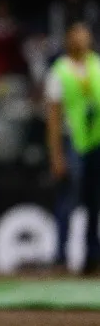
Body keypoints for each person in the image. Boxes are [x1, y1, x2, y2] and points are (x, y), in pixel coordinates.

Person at [45, 21, 100, 275]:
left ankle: (92, 255)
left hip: (96, 143)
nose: (83, 39)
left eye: (86, 34)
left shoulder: (97, 66)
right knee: (68, 200)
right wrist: (56, 155)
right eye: (78, 34)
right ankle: (60, 256)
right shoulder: (59, 72)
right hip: (72, 142)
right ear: (69, 39)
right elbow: (54, 117)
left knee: (94, 202)